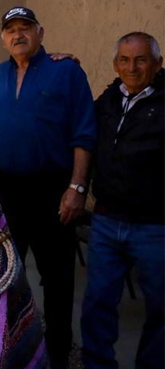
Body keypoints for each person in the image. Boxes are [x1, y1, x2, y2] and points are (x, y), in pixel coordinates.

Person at [0, 6, 96, 369]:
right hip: (7, 191)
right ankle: (9, 351)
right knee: (4, 278)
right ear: (3, 38)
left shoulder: (66, 72)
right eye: (11, 29)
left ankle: (58, 356)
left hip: (53, 191)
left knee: (57, 280)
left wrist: (77, 187)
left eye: (25, 27)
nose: (18, 34)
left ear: (40, 33)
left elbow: (84, 132)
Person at [81, 32, 164, 369]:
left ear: (157, 63)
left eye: (141, 60)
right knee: (97, 302)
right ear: (116, 64)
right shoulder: (109, 100)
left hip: (154, 225)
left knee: (160, 308)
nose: (132, 67)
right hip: (106, 220)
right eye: (125, 60)